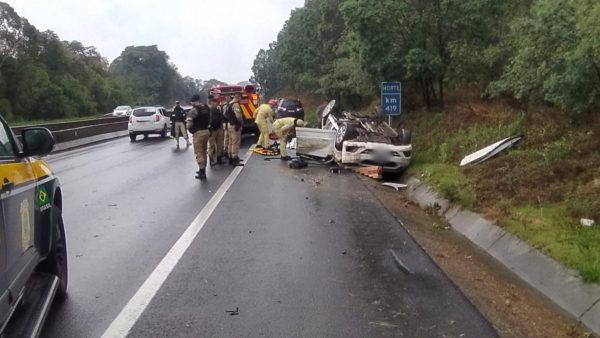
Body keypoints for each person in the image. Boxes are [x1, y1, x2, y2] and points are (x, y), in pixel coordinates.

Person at [186, 94, 211, 179]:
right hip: (206, 131)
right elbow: (210, 119)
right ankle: (203, 169)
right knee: (204, 151)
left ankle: (202, 171)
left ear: (193, 102)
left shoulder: (194, 110)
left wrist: (191, 130)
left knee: (198, 152)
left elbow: (189, 124)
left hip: (198, 133)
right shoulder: (206, 107)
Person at [226, 92, 244, 166]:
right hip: (235, 126)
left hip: (229, 124)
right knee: (235, 142)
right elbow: (239, 116)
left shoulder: (228, 104)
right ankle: (235, 159)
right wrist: (240, 123)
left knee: (230, 142)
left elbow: (225, 114)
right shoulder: (235, 104)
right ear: (238, 97)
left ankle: (230, 157)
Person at [207, 95, 224, 165]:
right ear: (211, 103)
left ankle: (219, 158)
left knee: (219, 144)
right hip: (212, 129)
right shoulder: (208, 110)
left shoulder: (218, 110)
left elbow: (221, 119)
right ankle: (211, 159)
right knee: (211, 145)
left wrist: (221, 128)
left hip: (218, 129)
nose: (214, 104)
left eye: (215, 102)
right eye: (213, 102)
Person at [220, 96, 231, 162]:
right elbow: (225, 115)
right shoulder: (225, 106)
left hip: (225, 123)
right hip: (226, 123)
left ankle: (225, 152)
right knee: (226, 138)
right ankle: (225, 152)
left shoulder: (225, 106)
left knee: (226, 138)